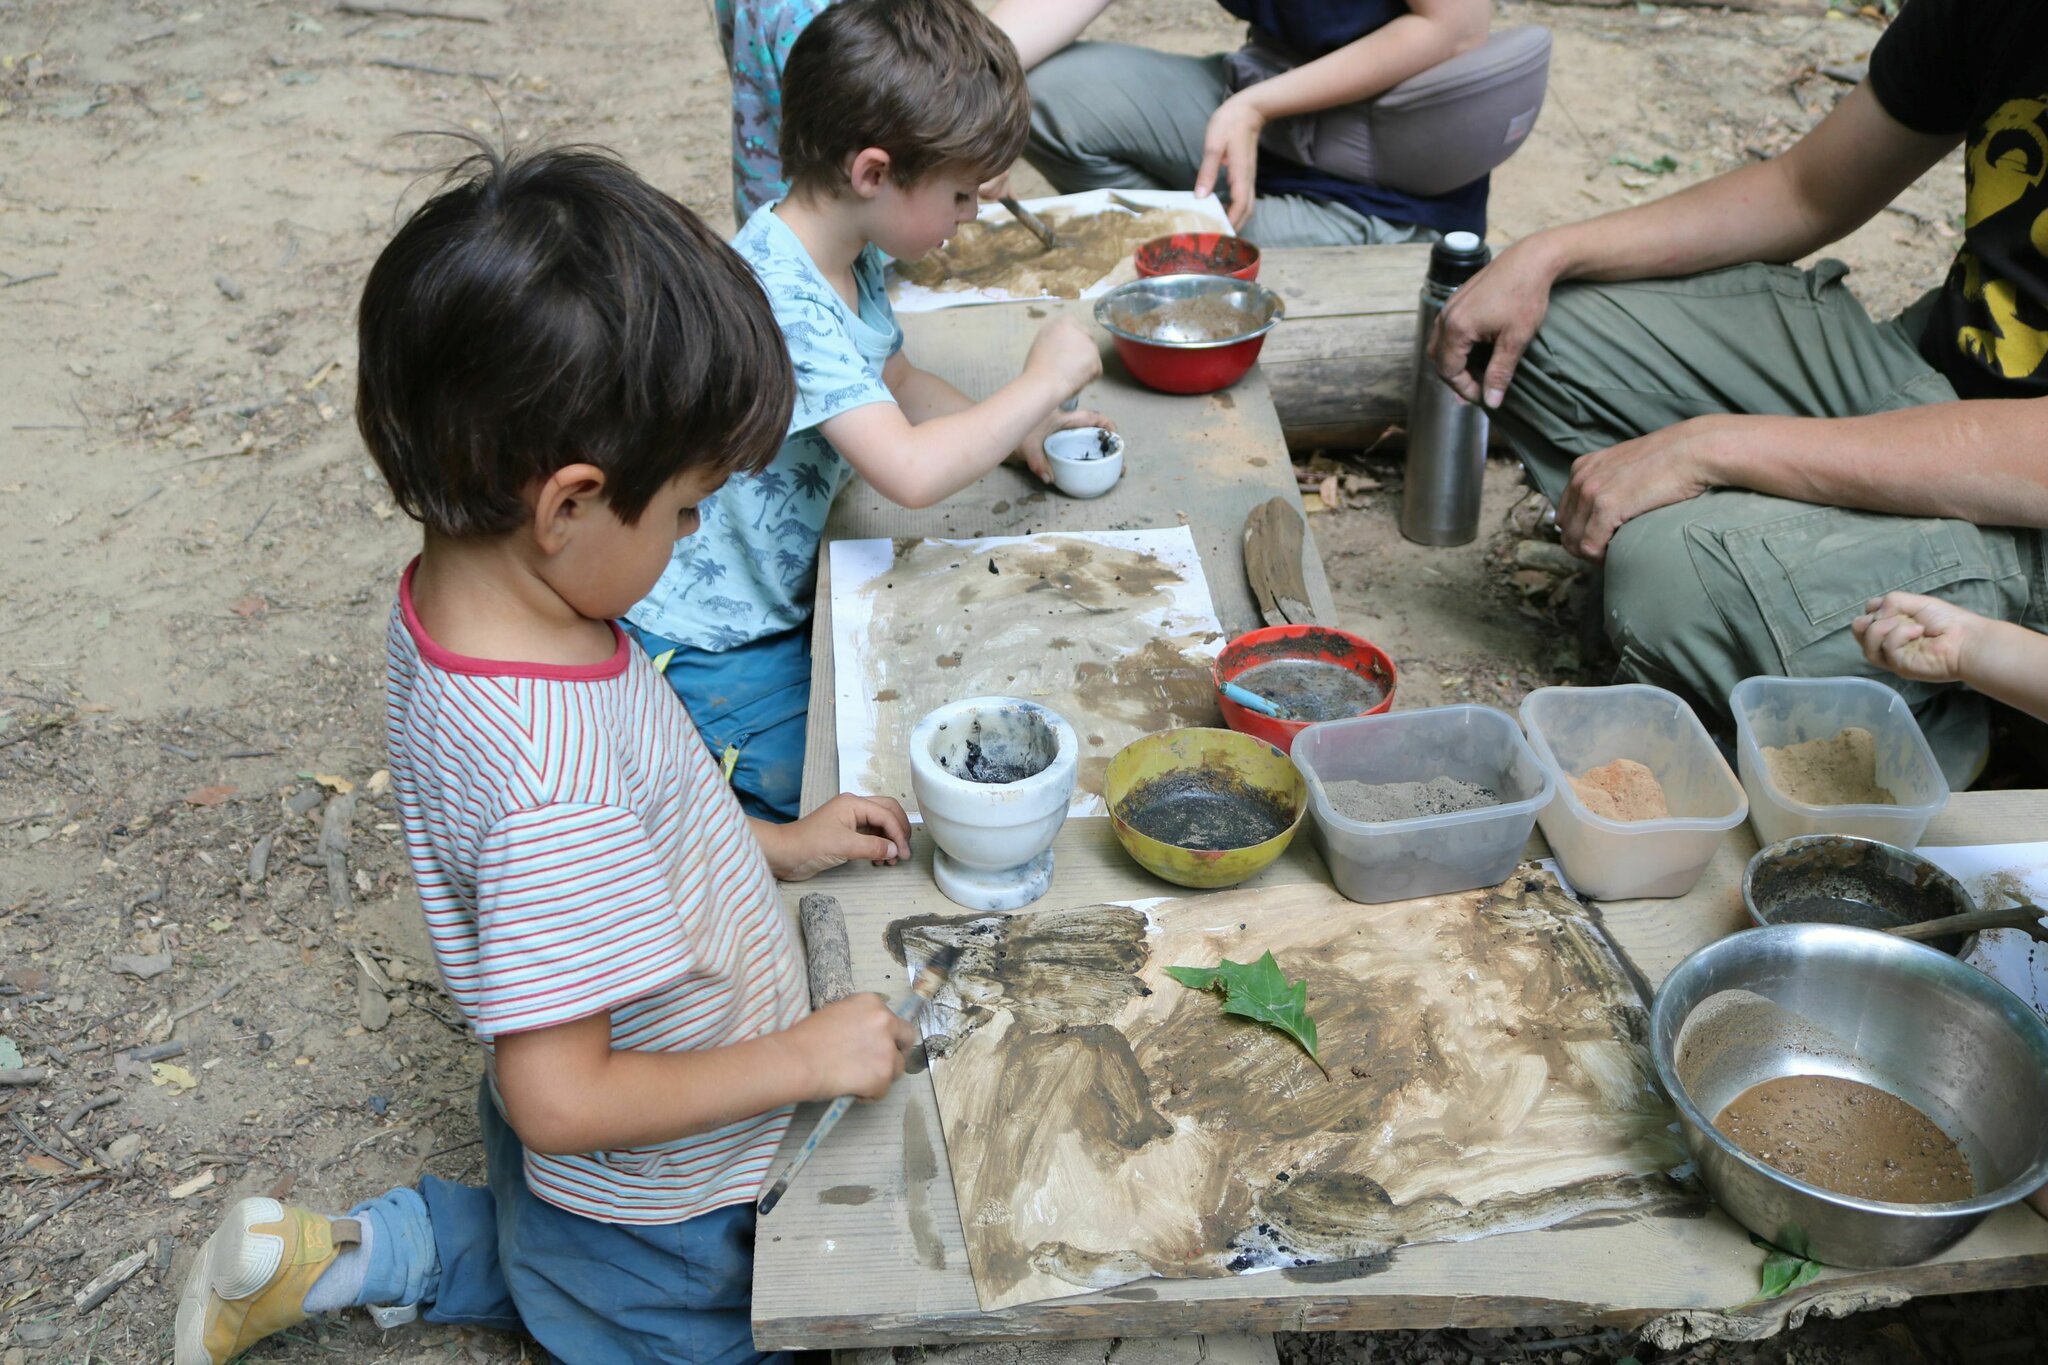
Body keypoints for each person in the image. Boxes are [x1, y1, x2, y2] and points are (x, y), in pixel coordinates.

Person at [175, 141, 922, 1365]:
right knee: (650, 1303)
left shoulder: (469, 606)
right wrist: (797, 1057)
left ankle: (360, 1254)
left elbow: (630, 828)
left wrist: (774, 844)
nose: (692, 537)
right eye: (685, 509)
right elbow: (563, 1102)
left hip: (598, 1144)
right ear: (567, 505)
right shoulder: (549, 781)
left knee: (549, 1241)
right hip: (665, 1205)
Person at [1430, 0, 2048, 785]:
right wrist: (1550, 254)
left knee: (1668, 577)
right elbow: (1805, 190)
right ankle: (1786, 582)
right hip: (1926, 377)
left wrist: (1712, 447)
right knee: (1530, 333)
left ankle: (1955, 713)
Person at [628, 0, 1108, 823]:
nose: (973, 214)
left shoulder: (843, 250)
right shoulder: (782, 294)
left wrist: (1018, 430)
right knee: (831, 784)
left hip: (773, 592)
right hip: (712, 633)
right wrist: (1038, 382)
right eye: (961, 194)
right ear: (874, 174)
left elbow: (897, 379)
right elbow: (909, 472)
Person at [1002, 0, 1515, 247]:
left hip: (1378, 187)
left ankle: (1177, 250)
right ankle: (1174, 242)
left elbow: (1458, 29)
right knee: (1036, 93)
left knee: (1172, 263)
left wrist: (1258, 106)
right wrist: (970, 98)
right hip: (1258, 107)